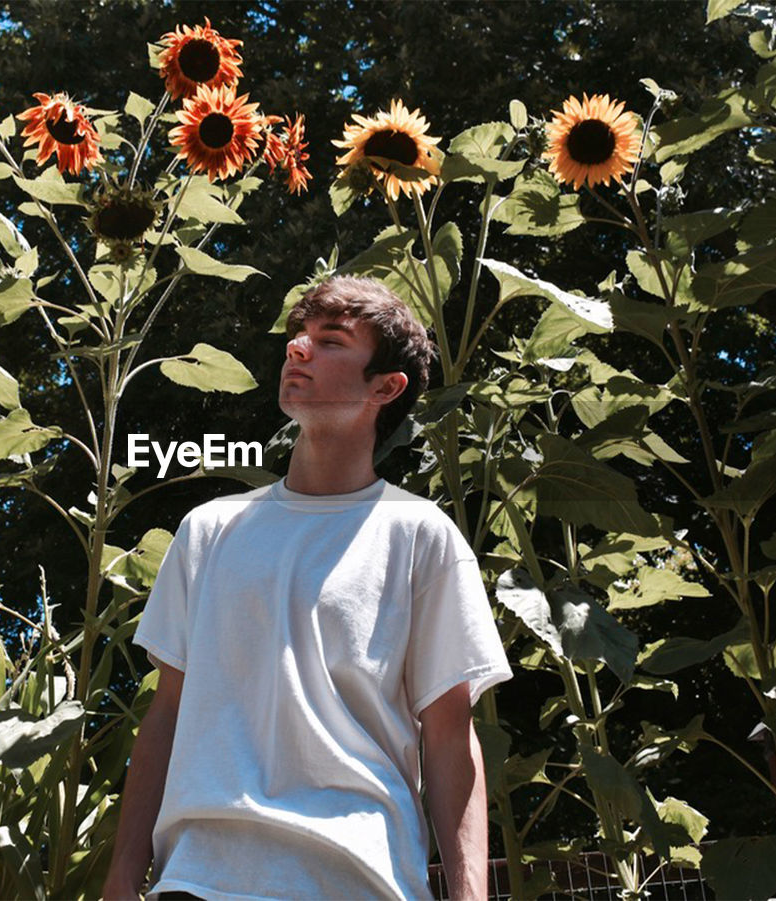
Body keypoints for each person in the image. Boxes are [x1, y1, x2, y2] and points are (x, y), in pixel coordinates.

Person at [103, 275, 512, 900]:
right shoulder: (209, 531)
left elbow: (451, 736)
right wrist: (122, 878)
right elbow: (166, 713)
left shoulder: (419, 535)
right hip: (198, 878)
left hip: (358, 878)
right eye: (299, 337)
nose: (298, 349)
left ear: (386, 386)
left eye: (331, 341)